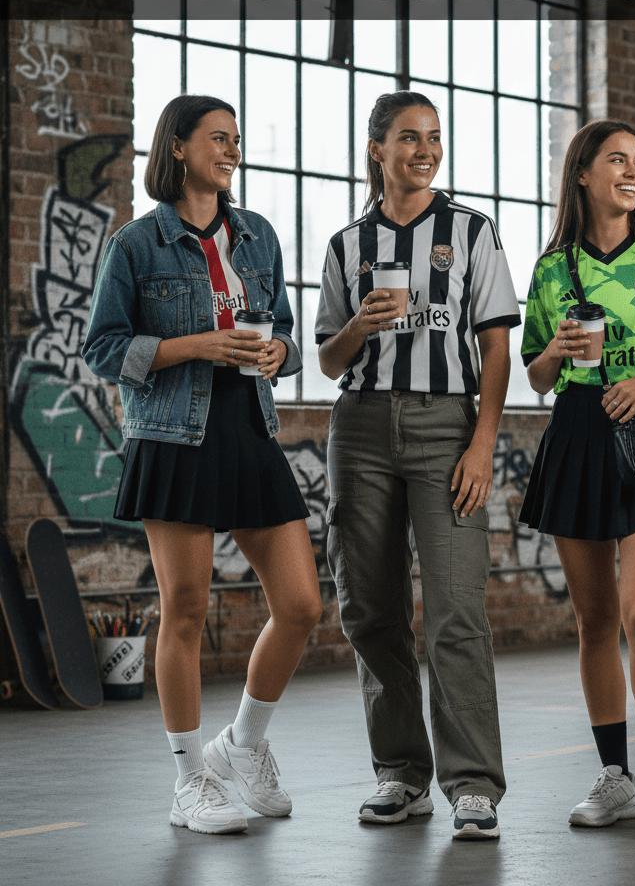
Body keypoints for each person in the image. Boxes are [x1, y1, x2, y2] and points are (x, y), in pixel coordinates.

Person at [83, 95, 322, 835]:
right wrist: (198, 346)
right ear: (179, 147)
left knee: (303, 605)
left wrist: (276, 351)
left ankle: (243, 743)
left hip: (247, 429)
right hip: (171, 435)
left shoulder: (258, 236)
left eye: (237, 140)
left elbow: (279, 327)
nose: (232, 151)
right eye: (218, 139)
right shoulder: (137, 245)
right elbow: (102, 350)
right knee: (184, 608)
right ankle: (190, 779)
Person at [316, 90, 520, 841]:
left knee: (457, 612)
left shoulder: (470, 231)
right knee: (369, 608)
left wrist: (482, 442)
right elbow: (329, 356)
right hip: (361, 428)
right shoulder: (346, 244)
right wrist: (359, 326)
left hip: (447, 426)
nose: (425, 149)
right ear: (377, 149)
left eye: (434, 136)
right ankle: (401, 774)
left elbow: (496, 346)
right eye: (409, 137)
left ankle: (474, 785)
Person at [518, 119, 635, 844]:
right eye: (617, 160)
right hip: (577, 433)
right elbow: (538, 374)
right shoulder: (550, 268)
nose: (633, 171)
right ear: (583, 174)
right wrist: (558, 351)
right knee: (594, 621)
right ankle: (616, 777)